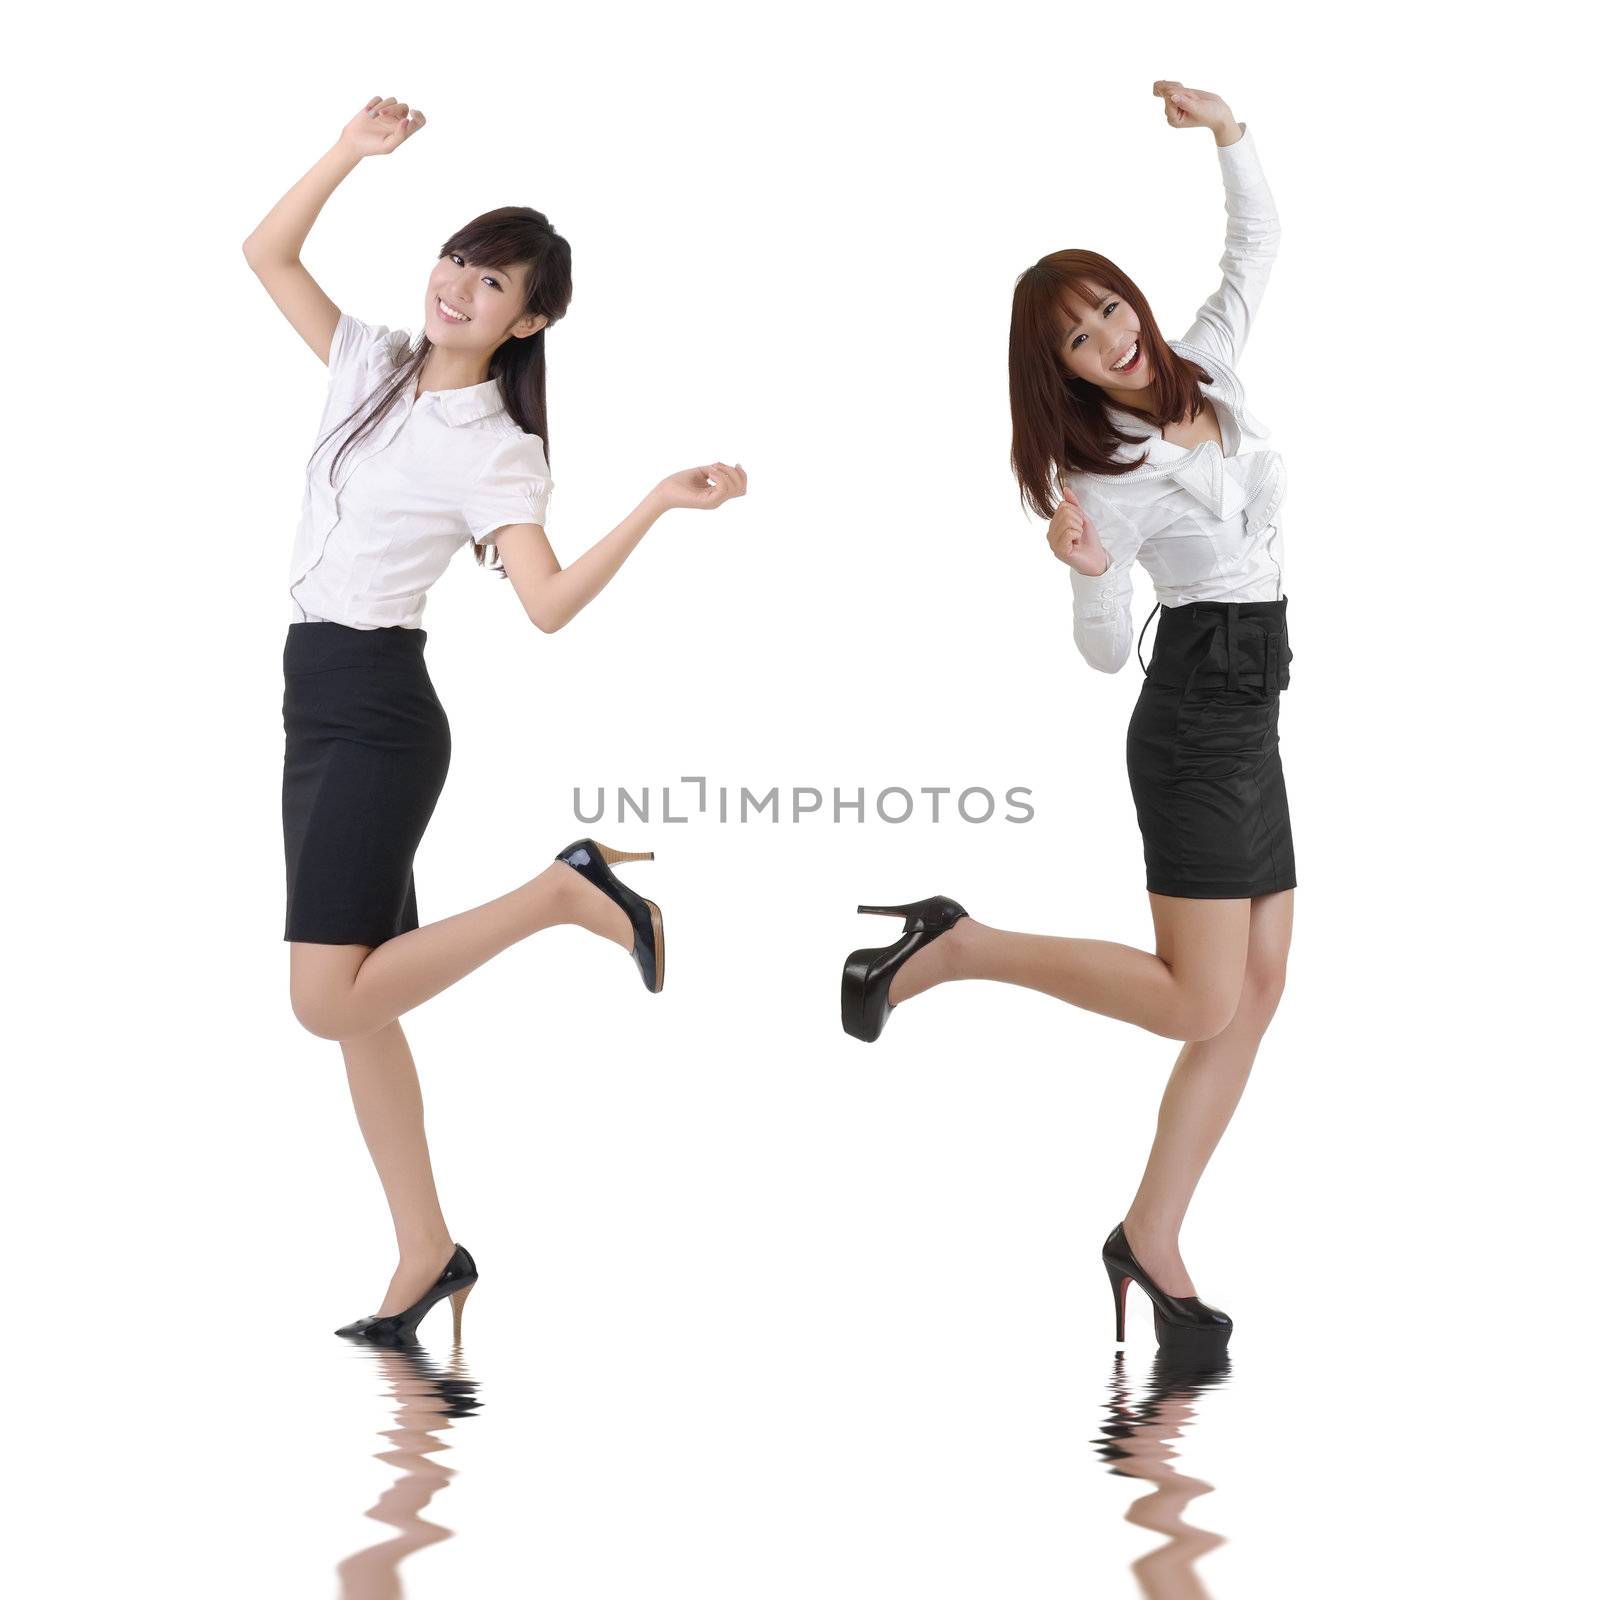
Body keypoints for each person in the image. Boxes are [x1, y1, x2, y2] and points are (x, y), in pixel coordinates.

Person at [243, 94, 748, 1343]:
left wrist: (649, 506)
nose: (461, 285)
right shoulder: (370, 362)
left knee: (325, 998)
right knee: (362, 1009)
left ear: (529, 319)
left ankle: (566, 892)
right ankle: (427, 1255)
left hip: (377, 712)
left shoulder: (497, 447)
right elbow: (267, 253)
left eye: (493, 280)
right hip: (314, 697)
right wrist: (349, 155)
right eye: (458, 259)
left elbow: (547, 604)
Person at [840, 82, 1289, 1360]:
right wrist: (1085, 564)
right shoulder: (1100, 475)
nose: (1111, 337)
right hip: (1195, 715)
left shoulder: (1211, 365)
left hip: (1257, 707)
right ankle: (957, 946)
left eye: (1108, 307)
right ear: (1063, 373)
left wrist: (1228, 131)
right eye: (1083, 340)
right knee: (1199, 1002)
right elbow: (1104, 657)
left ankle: (1150, 1238)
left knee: (1254, 990)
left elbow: (1255, 247)